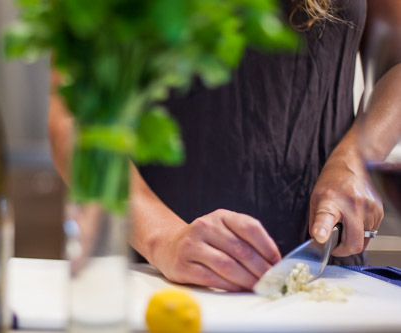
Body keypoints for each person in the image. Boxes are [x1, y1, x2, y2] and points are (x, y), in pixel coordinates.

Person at [48, 0, 401, 291]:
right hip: (155, 281)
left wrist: (355, 158)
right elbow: (74, 113)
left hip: (322, 275)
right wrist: (163, 237)